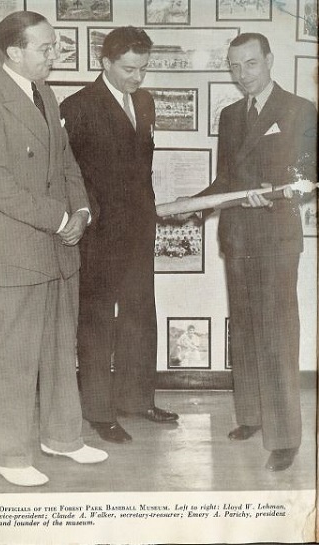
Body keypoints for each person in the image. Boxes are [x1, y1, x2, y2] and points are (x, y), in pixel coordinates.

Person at [0, 11, 108, 487]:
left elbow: (67, 165)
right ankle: (7, 454)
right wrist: (61, 218)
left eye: (55, 46)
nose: (55, 55)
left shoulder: (45, 94)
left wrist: (81, 211)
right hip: (15, 251)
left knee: (61, 350)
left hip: (59, 250)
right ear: (14, 52)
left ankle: (62, 438)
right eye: (46, 48)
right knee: (13, 356)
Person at [173, 33, 317, 471]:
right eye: (235, 66)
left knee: (277, 334)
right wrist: (191, 209)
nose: (242, 74)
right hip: (236, 237)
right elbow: (225, 182)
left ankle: (285, 437)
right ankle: (252, 417)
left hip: (275, 237)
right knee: (248, 331)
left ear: (269, 60)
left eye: (251, 64)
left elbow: (308, 176)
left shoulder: (299, 110)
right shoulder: (231, 115)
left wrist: (274, 196)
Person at [60, 26, 178, 444]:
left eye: (143, 69)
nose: (137, 78)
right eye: (129, 69)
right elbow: (68, 175)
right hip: (99, 235)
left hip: (140, 229)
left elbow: (140, 167)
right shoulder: (77, 106)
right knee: (96, 322)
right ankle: (98, 410)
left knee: (140, 315)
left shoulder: (144, 103)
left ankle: (136, 399)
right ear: (105, 62)